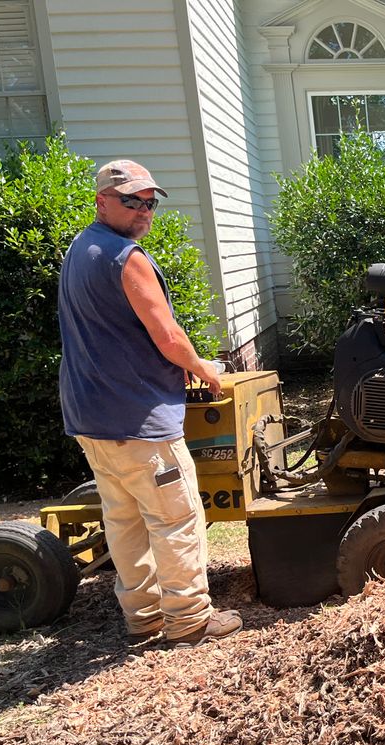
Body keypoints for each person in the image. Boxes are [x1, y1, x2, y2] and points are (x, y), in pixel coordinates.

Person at [57, 160, 241, 647]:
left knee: (124, 520)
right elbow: (167, 335)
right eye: (131, 200)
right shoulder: (125, 257)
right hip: (138, 418)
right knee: (176, 518)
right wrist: (204, 368)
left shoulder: (80, 249)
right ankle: (191, 620)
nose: (143, 210)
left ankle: (142, 618)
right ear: (102, 200)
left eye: (149, 201)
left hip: (91, 416)